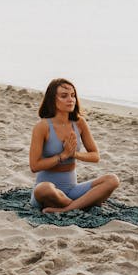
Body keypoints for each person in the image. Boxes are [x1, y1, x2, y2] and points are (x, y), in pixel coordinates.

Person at [29, 78, 119, 214]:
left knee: (112, 180)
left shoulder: (79, 123)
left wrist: (74, 154)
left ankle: (67, 208)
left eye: (73, 95)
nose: (70, 100)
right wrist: (62, 156)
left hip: (72, 190)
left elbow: (95, 156)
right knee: (43, 189)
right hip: (48, 191)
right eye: (64, 96)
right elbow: (34, 166)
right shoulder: (42, 127)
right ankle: (80, 205)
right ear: (52, 100)